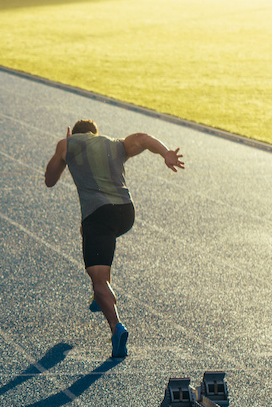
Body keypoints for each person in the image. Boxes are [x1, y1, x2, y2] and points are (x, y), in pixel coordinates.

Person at [44, 120, 185, 357]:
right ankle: (99, 294)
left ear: (75, 134)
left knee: (99, 279)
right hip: (125, 213)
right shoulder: (114, 144)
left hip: (99, 216)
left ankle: (116, 326)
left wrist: (64, 150)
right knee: (90, 235)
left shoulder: (68, 144)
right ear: (94, 134)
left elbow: (49, 179)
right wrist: (166, 153)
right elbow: (143, 137)